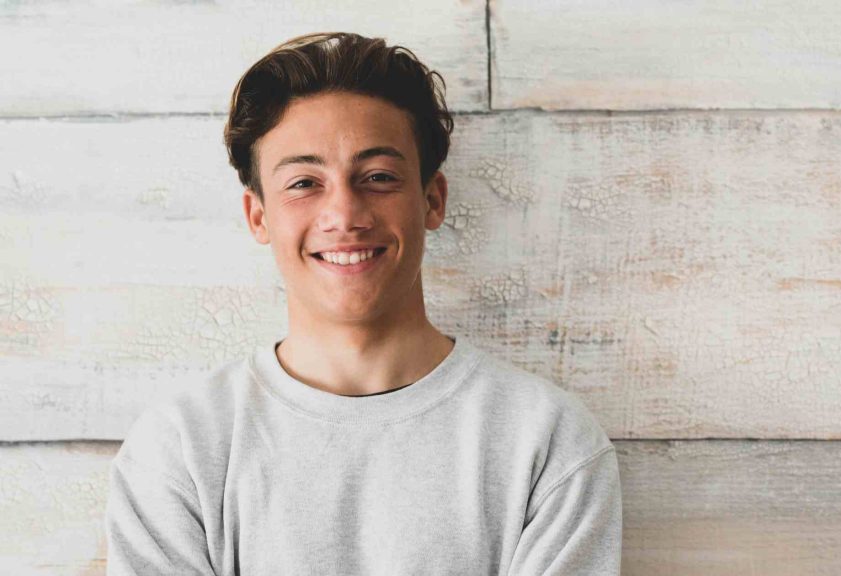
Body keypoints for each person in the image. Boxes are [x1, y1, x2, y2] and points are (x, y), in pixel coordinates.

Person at [104, 31, 622, 575]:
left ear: (432, 200)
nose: (345, 215)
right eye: (304, 183)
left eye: (378, 177)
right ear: (259, 216)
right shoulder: (181, 447)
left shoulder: (547, 440)